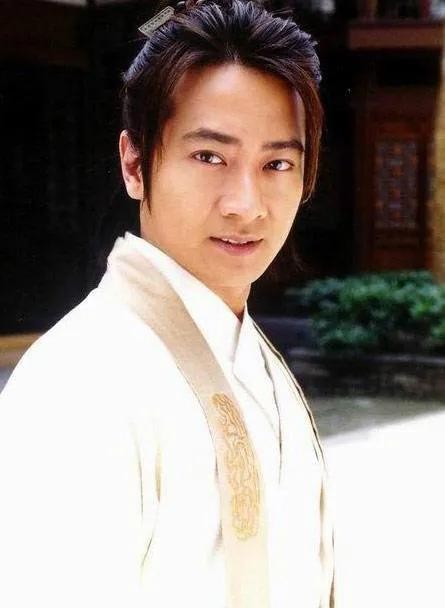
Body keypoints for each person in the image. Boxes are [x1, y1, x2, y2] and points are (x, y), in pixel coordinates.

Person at [0, 1, 335, 607]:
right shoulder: (79, 381)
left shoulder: (253, 355)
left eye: (277, 163)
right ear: (134, 163)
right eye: (209, 157)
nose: (245, 203)